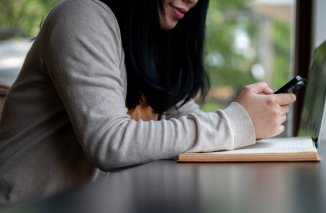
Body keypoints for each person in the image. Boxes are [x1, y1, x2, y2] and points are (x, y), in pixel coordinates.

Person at [0, 0, 296, 206]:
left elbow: (187, 120)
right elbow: (110, 143)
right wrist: (235, 122)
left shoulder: (146, 46)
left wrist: (246, 123)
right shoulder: (81, 15)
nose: (193, 0)